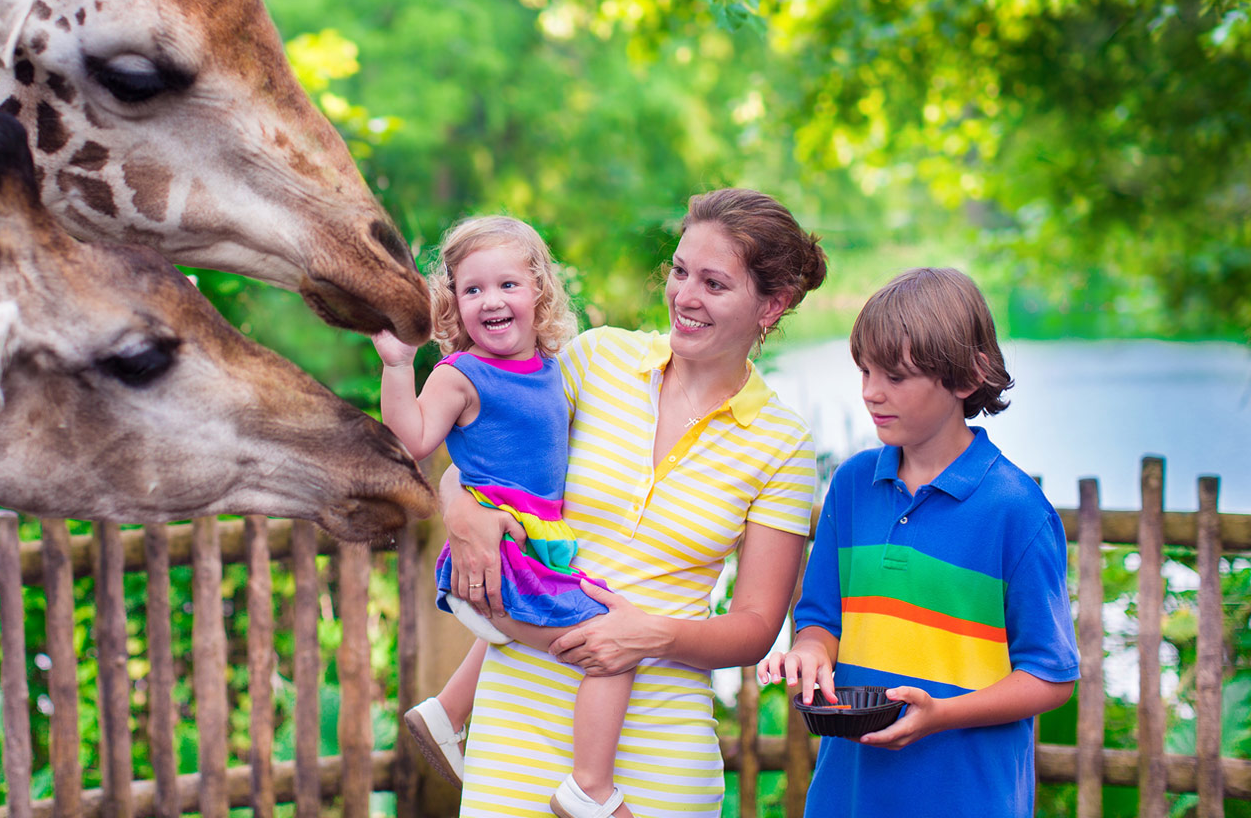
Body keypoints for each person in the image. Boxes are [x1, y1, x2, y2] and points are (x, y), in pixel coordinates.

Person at [440, 189, 828, 818]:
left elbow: (756, 627)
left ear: (773, 304)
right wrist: (458, 508)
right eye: (679, 271)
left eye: (714, 283)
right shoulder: (595, 361)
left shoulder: (782, 444)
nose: (685, 297)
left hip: (658, 749)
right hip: (518, 725)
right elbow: (484, 464)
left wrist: (652, 634)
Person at [758, 267, 1078, 818]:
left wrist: (944, 714)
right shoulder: (853, 486)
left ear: (965, 377)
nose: (870, 392)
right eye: (864, 371)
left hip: (969, 798)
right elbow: (820, 619)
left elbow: (1050, 677)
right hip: (847, 797)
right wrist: (810, 652)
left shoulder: (1016, 510)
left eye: (896, 377)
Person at [371, 216, 635, 818]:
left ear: (539, 290)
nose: (491, 301)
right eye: (473, 290)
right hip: (500, 555)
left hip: (536, 543)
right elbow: (410, 439)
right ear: (453, 302)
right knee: (612, 649)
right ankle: (588, 788)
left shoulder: (549, 365)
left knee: (584, 615)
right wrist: (395, 364)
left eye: (508, 285)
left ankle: (446, 711)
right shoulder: (460, 375)